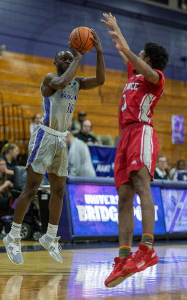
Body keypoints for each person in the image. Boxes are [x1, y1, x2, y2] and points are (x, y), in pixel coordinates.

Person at [3, 29, 105, 265]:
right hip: (45, 137)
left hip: (62, 138)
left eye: (70, 58)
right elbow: (61, 81)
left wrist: (98, 51)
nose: (68, 60)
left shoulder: (77, 82)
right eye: (65, 58)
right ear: (55, 62)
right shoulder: (50, 79)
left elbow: (100, 80)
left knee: (59, 190)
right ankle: (13, 236)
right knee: (32, 188)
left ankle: (50, 236)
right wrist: (79, 57)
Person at [101, 13, 169, 287]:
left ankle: (147, 249)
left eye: (141, 54)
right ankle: (124, 256)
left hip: (141, 131)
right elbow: (126, 52)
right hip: (124, 137)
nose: (135, 56)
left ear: (148, 59)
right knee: (124, 198)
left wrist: (126, 48)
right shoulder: (134, 72)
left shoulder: (155, 78)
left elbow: (144, 66)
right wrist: (117, 33)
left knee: (142, 186)